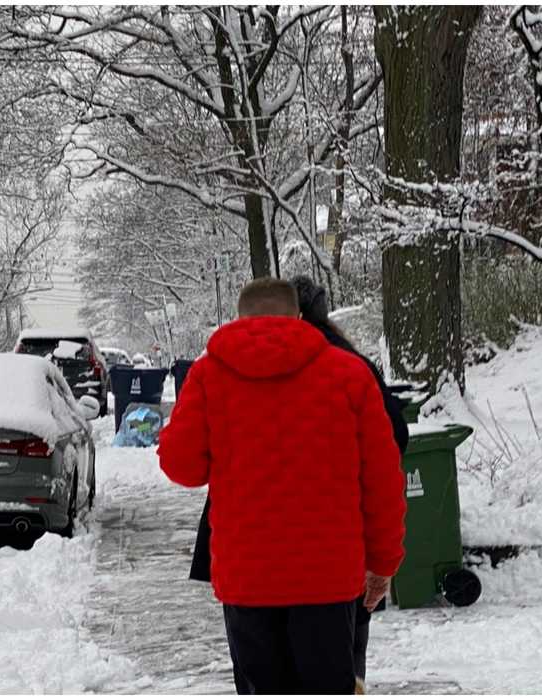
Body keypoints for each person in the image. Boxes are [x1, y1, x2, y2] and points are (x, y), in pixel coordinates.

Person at [159, 277, 406, 695]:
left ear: (240, 319)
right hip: (329, 578)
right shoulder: (349, 374)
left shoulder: (208, 376)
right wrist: (383, 564)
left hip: (246, 577)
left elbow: (181, 466)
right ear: (297, 316)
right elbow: (382, 479)